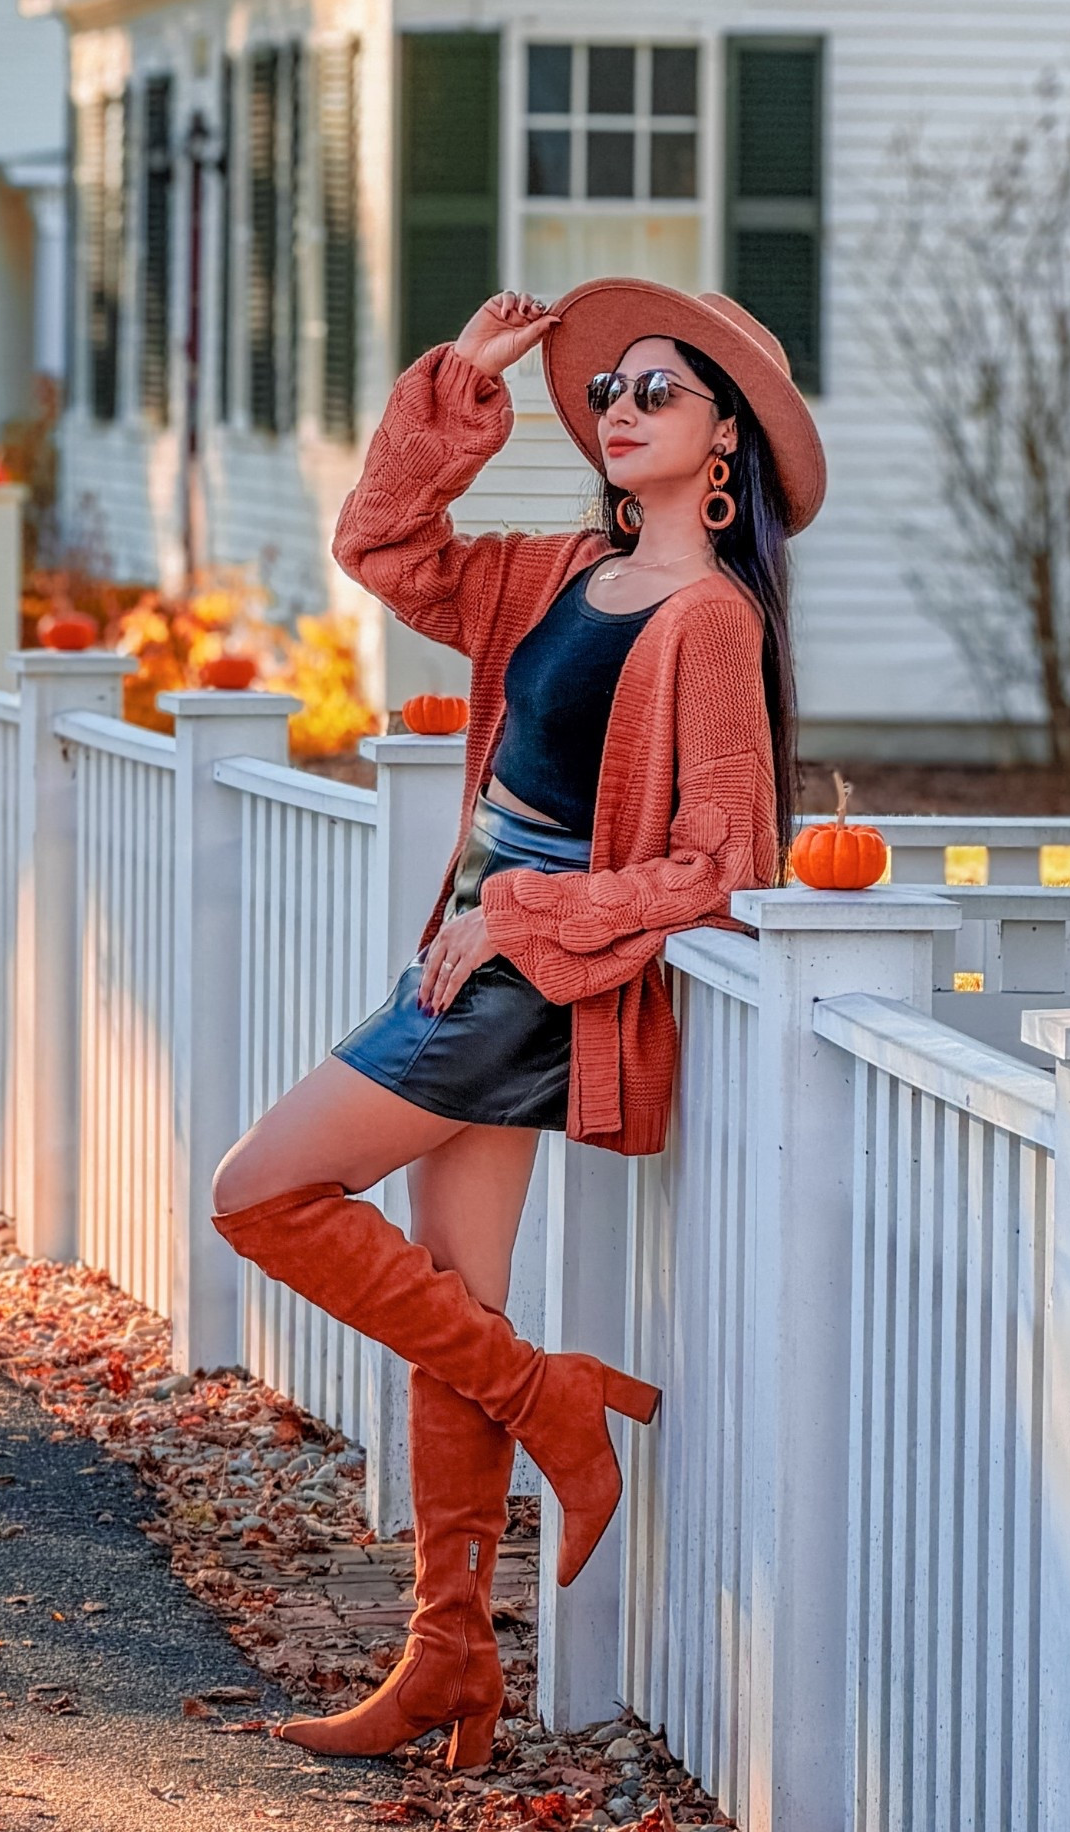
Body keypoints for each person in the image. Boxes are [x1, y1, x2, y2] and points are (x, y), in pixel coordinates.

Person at [209, 278, 827, 1771]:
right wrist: (462, 387)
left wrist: (523, 920)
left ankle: (554, 1405)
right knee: (454, 1298)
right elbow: (383, 546)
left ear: (726, 438)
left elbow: (721, 868)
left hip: (527, 972)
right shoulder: (558, 570)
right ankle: (450, 1655)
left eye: (659, 391)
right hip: (473, 949)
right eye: (609, 390)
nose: (621, 409)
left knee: (260, 1194)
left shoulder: (710, 623)